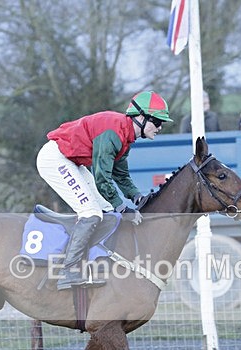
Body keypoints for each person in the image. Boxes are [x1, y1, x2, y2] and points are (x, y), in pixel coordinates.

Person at [36, 90, 170, 290]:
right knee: (91, 213)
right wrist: (123, 208)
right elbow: (102, 178)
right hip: (54, 159)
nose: (160, 127)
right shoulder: (113, 133)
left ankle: (95, 263)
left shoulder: (126, 137)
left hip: (72, 161)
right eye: (157, 122)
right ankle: (68, 270)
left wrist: (137, 198)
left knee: (106, 210)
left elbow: (121, 176)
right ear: (141, 117)